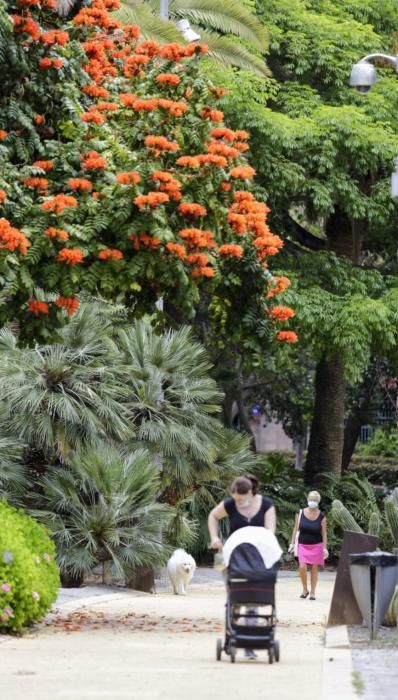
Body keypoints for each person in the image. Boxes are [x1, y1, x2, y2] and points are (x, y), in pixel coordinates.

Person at [208, 474, 276, 660]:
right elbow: (213, 515)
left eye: (241, 498)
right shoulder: (230, 504)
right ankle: (234, 636)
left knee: (253, 597)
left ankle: (250, 643)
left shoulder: (266, 504)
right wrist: (215, 538)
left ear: (250, 493)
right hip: (234, 558)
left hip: (256, 558)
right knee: (235, 596)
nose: (237, 502)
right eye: (235, 498)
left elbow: (270, 531)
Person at [288, 490, 328, 600]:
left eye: (315, 500)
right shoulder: (300, 513)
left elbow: (324, 533)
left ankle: (313, 593)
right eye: (310, 499)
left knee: (314, 569)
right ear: (307, 500)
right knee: (302, 567)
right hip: (302, 544)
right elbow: (295, 528)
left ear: (318, 502)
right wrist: (292, 543)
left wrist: (325, 548)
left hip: (316, 545)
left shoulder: (322, 516)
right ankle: (305, 589)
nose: (312, 501)